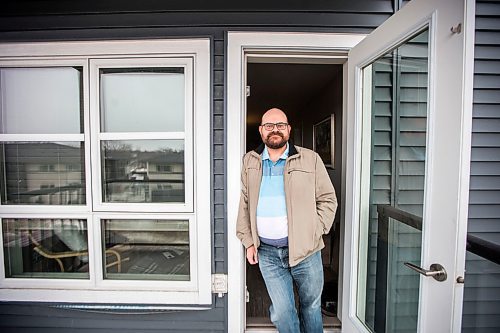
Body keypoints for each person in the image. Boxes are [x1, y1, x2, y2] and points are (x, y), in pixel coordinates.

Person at [236, 108, 338, 333]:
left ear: (288, 129)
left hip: (307, 250)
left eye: (280, 125)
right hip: (268, 253)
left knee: (311, 306)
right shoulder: (250, 161)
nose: (275, 130)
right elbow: (244, 203)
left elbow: (328, 199)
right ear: (261, 131)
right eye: (269, 126)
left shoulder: (310, 159)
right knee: (283, 311)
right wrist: (249, 241)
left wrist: (315, 230)